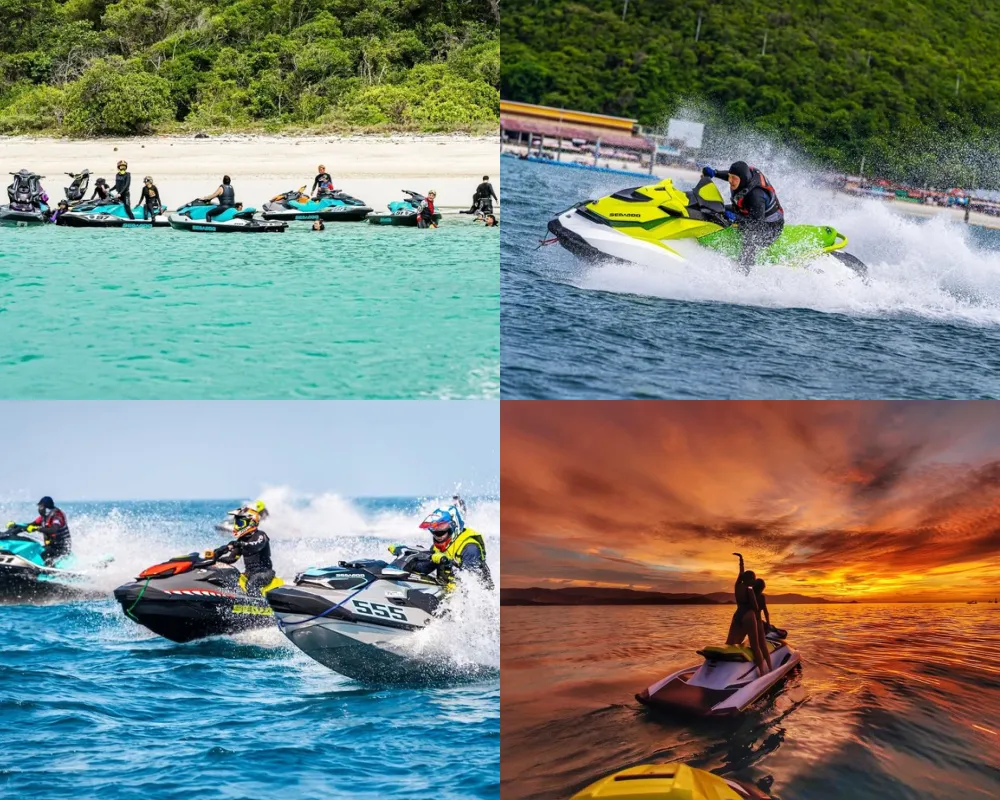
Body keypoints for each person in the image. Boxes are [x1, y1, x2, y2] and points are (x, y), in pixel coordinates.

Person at [701, 161, 784, 272]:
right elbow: (733, 175)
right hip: (748, 212)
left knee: (750, 237)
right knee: (716, 209)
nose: (730, 181)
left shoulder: (756, 196)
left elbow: (756, 225)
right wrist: (715, 173)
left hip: (770, 227)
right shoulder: (743, 178)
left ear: (743, 179)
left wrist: (736, 219)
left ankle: (743, 271)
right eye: (730, 177)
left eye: (733, 178)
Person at [413, 501, 492, 590]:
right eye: (434, 530)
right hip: (450, 593)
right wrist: (416, 556)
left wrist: (448, 563)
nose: (437, 535)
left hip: (478, 599)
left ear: (454, 526)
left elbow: (472, 585)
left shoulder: (470, 548)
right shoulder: (437, 547)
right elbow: (424, 569)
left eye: (441, 530)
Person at [205, 506, 277, 596]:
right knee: (229, 580)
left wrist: (239, 544)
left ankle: (257, 606)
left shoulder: (261, 535)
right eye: (236, 523)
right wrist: (215, 560)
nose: (236, 526)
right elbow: (231, 559)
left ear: (251, 523)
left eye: (239, 523)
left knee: (251, 584)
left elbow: (255, 546)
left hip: (264, 573)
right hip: (249, 574)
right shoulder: (241, 540)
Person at [724, 552, 768, 676]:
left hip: (737, 615)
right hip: (748, 615)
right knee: (755, 646)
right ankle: (762, 672)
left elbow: (741, 573)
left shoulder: (737, 585)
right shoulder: (749, 591)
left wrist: (741, 560)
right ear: (749, 580)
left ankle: (725, 667)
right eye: (753, 579)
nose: (754, 581)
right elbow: (755, 607)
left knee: (729, 642)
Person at [5, 496, 72, 566]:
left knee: (44, 554)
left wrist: (37, 528)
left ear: (46, 507)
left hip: (61, 547)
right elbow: (31, 525)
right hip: (52, 545)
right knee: (35, 550)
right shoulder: (44, 517)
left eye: (41, 506)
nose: (39, 508)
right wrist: (15, 525)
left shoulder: (57, 516)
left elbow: (54, 529)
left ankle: (50, 571)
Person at [752, 577, 773, 672]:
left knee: (756, 645)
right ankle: (770, 667)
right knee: (763, 645)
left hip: (751, 622)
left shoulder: (751, 595)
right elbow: (766, 612)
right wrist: (768, 624)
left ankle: (762, 669)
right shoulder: (761, 597)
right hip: (758, 621)